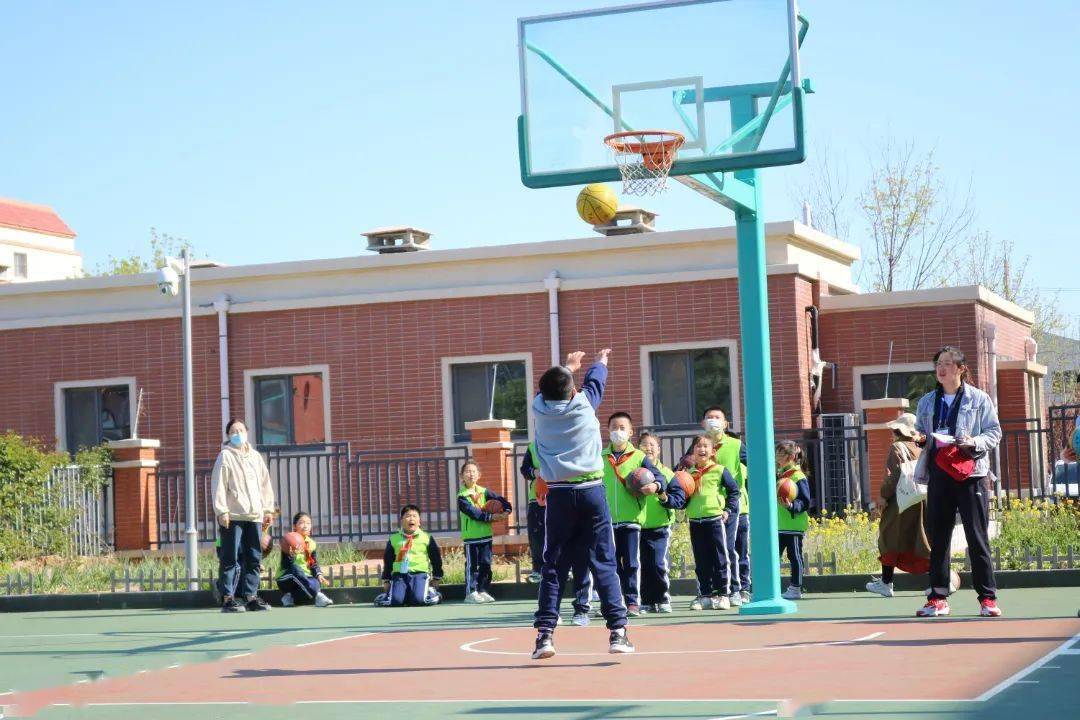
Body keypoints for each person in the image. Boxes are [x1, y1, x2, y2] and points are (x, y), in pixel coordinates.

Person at [530, 349, 634, 659]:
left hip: (559, 495)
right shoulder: (584, 405)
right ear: (574, 389)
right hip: (590, 491)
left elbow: (553, 387)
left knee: (553, 566)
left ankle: (545, 635)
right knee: (603, 560)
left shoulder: (539, 409)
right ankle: (618, 631)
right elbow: (596, 380)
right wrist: (600, 360)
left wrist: (567, 368)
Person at [914, 346, 1002, 618]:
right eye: (939, 363)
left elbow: (994, 432)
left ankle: (987, 599)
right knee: (939, 538)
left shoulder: (979, 399)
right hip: (939, 474)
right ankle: (938, 598)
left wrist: (973, 442)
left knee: (977, 537)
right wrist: (917, 437)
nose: (942, 368)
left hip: (971, 475)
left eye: (949, 364)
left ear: (961, 369)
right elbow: (921, 432)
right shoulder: (928, 401)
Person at [521, 440, 599, 625]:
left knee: (581, 558)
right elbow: (525, 469)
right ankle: (550, 609)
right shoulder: (535, 446)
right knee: (553, 559)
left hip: (578, 500)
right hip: (546, 504)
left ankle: (581, 609)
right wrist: (536, 473)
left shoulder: (579, 441)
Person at [678, 407, 749, 605]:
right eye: (709, 417)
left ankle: (733, 590)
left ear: (726, 424)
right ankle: (706, 593)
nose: (713, 420)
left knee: (728, 550)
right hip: (700, 511)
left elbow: (754, 465)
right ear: (702, 423)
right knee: (705, 553)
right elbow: (682, 475)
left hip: (729, 507)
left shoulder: (736, 445)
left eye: (717, 417)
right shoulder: (696, 448)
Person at [602, 412, 667, 616]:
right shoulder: (600, 456)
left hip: (631, 520)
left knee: (630, 563)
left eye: (622, 428)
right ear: (608, 430)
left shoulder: (639, 457)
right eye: (614, 427)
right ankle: (614, 602)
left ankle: (632, 602)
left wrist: (655, 486)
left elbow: (660, 478)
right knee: (610, 564)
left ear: (630, 432)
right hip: (607, 520)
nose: (617, 432)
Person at [211, 418, 275, 613]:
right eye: (233, 431)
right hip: (234, 514)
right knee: (230, 557)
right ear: (228, 436)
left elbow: (265, 484)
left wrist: (268, 509)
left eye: (240, 430)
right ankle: (228, 598)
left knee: (254, 557)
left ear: (247, 432)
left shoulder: (255, 457)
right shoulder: (225, 456)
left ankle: (251, 596)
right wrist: (222, 510)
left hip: (254, 514)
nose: (237, 434)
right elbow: (219, 484)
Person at [866, 414, 929, 597]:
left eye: (894, 430)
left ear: (899, 431)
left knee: (888, 537)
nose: (892, 434)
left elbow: (894, 476)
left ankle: (886, 583)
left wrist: (883, 497)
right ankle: (939, 581)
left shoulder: (897, 447)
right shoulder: (921, 448)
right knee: (922, 539)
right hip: (921, 500)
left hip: (900, 501)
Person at [684, 434, 740, 610]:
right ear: (693, 452)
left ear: (713, 451)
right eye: (698, 447)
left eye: (705, 446)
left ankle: (723, 594)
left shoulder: (719, 470)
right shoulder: (688, 474)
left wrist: (727, 510)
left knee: (720, 557)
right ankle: (705, 595)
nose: (702, 449)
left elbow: (734, 492)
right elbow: (684, 497)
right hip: (695, 521)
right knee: (701, 559)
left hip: (715, 519)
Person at [637, 431, 680, 613]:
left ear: (659, 450)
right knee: (642, 565)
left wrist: (663, 495)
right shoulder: (634, 472)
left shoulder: (667, 474)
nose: (648, 448)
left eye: (652, 445)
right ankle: (646, 600)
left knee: (658, 564)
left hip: (660, 526)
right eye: (644, 444)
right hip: (638, 526)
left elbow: (678, 500)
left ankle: (662, 598)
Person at [456, 460, 511, 604]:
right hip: (471, 537)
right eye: (467, 471)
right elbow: (474, 513)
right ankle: (471, 592)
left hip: (486, 536)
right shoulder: (462, 496)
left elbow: (502, 500)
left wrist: (506, 510)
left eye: (473, 471)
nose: (471, 474)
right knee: (472, 566)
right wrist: (493, 516)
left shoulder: (484, 491)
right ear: (461, 476)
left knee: (486, 564)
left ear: (479, 475)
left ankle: (483, 590)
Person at [377, 505, 443, 607]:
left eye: (414, 516)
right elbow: (388, 560)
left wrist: (437, 577)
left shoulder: (427, 538)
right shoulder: (394, 539)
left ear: (419, 521)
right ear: (402, 520)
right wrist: (386, 579)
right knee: (396, 601)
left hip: (419, 574)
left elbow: (436, 559)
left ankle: (431, 593)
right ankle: (394, 595)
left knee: (419, 600)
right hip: (399, 575)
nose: (411, 519)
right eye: (407, 516)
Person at [776, 440, 811, 600]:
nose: (777, 456)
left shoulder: (798, 476)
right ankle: (771, 587)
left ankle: (796, 588)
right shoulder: (779, 475)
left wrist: (791, 506)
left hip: (793, 524)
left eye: (781, 453)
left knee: (794, 556)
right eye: (777, 452)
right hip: (779, 524)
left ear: (791, 456)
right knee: (774, 557)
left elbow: (805, 501)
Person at [277, 511, 333, 608]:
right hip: (287, 576)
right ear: (295, 526)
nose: (305, 526)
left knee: (315, 584)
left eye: (308, 523)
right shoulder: (288, 540)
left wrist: (319, 574)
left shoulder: (311, 543)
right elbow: (285, 564)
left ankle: (290, 596)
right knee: (297, 569)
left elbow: (313, 563)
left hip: (305, 577)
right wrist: (292, 554)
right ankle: (319, 597)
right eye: (301, 523)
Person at [520, 442, 546, 584]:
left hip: (559, 495)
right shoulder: (532, 446)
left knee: (560, 534)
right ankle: (537, 570)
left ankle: (563, 569)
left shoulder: (562, 440)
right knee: (536, 536)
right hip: (537, 497)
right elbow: (524, 469)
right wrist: (534, 472)